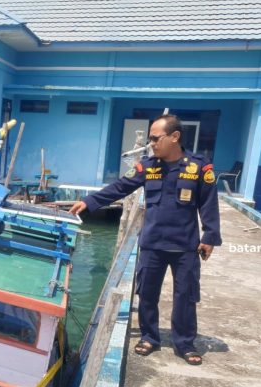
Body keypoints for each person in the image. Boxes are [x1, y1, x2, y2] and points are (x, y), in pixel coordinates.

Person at [69, 114, 222, 365]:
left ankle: (184, 343)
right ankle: (150, 337)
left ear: (175, 137)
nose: (151, 143)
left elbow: (208, 204)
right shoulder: (147, 167)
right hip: (152, 243)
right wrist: (89, 201)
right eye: (150, 138)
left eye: (155, 138)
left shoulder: (199, 167)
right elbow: (120, 187)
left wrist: (210, 236)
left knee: (186, 295)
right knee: (147, 294)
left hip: (185, 245)